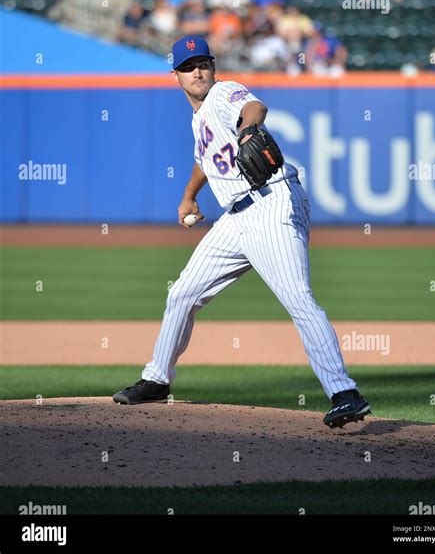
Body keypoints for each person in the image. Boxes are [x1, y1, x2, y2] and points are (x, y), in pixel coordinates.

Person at [112, 36, 371, 429]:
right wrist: (187, 197)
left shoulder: (223, 93)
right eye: (188, 66)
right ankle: (156, 379)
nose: (197, 71)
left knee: (298, 298)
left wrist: (249, 129)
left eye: (203, 63)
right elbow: (204, 160)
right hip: (235, 217)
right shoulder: (199, 119)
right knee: (182, 292)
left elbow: (255, 107)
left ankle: (344, 393)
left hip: (271, 203)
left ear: (213, 67)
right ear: (175, 75)